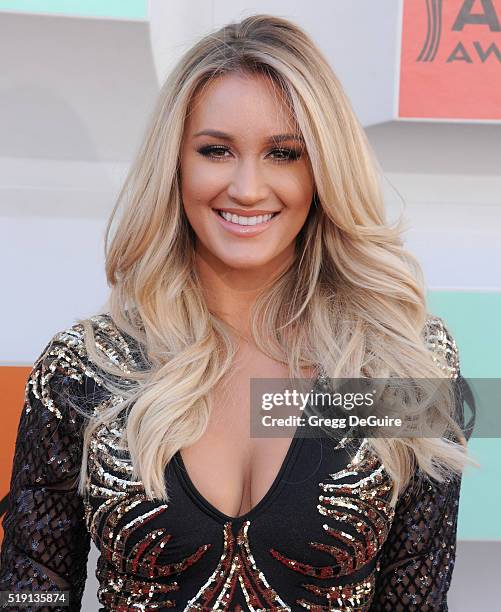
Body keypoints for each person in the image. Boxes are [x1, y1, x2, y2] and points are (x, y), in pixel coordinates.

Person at [0, 13, 473, 612]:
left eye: (282, 153)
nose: (248, 188)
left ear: (323, 171)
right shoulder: (86, 369)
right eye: (217, 150)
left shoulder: (401, 368)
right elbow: (29, 589)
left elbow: (417, 598)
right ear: (175, 165)